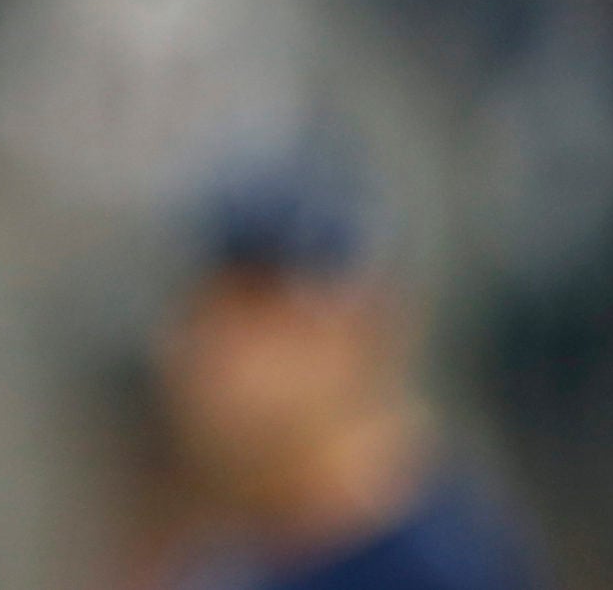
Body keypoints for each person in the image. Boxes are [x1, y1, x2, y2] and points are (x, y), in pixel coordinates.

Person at [147, 158, 545, 590]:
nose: (223, 349)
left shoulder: (443, 570)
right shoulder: (229, 560)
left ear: (367, 323)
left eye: (260, 306)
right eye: (207, 309)